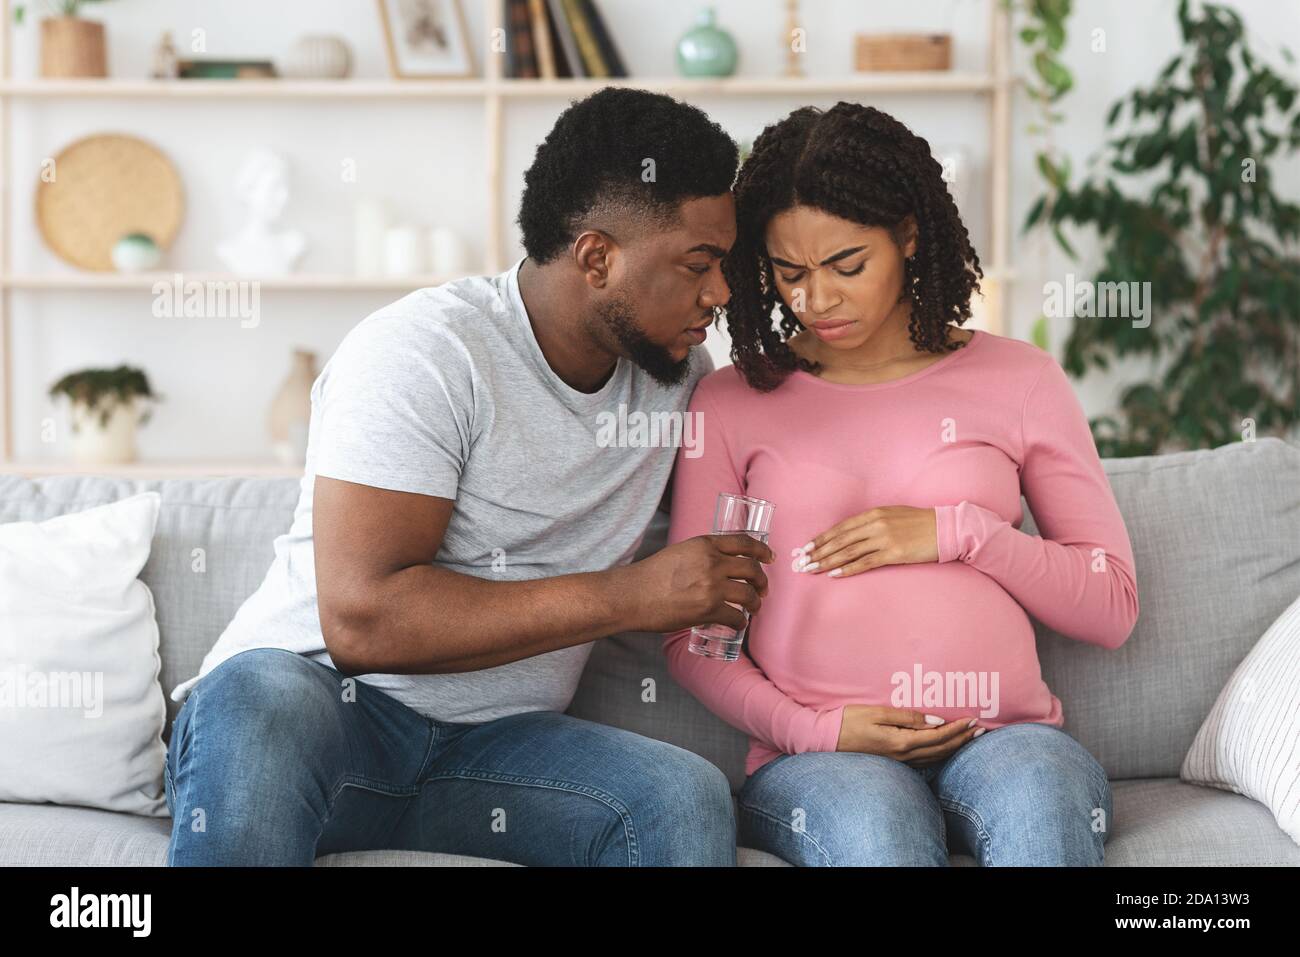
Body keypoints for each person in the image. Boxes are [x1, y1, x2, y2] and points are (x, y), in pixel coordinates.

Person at [164, 88, 773, 866]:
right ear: (597, 257)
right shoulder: (427, 353)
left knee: (679, 796)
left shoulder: (675, 376)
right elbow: (363, 621)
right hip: (323, 721)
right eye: (699, 264)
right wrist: (633, 594)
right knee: (259, 697)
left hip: (493, 756)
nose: (719, 293)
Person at [663, 102, 1140, 866]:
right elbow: (693, 638)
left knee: (1043, 815)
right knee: (880, 841)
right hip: (824, 760)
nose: (816, 300)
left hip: (1004, 738)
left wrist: (960, 532)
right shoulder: (731, 402)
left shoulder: (1020, 379)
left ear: (909, 236)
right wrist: (818, 730)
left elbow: (1111, 604)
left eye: (847, 265)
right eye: (790, 272)